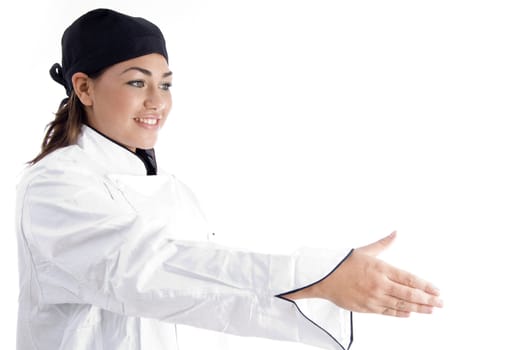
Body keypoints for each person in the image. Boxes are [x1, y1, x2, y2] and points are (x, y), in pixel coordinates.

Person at [15, 8, 443, 350]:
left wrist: (323, 285)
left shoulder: (174, 192)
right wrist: (315, 275)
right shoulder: (55, 186)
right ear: (84, 88)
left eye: (165, 85)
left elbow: (210, 297)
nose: (156, 102)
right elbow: (143, 274)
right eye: (136, 82)